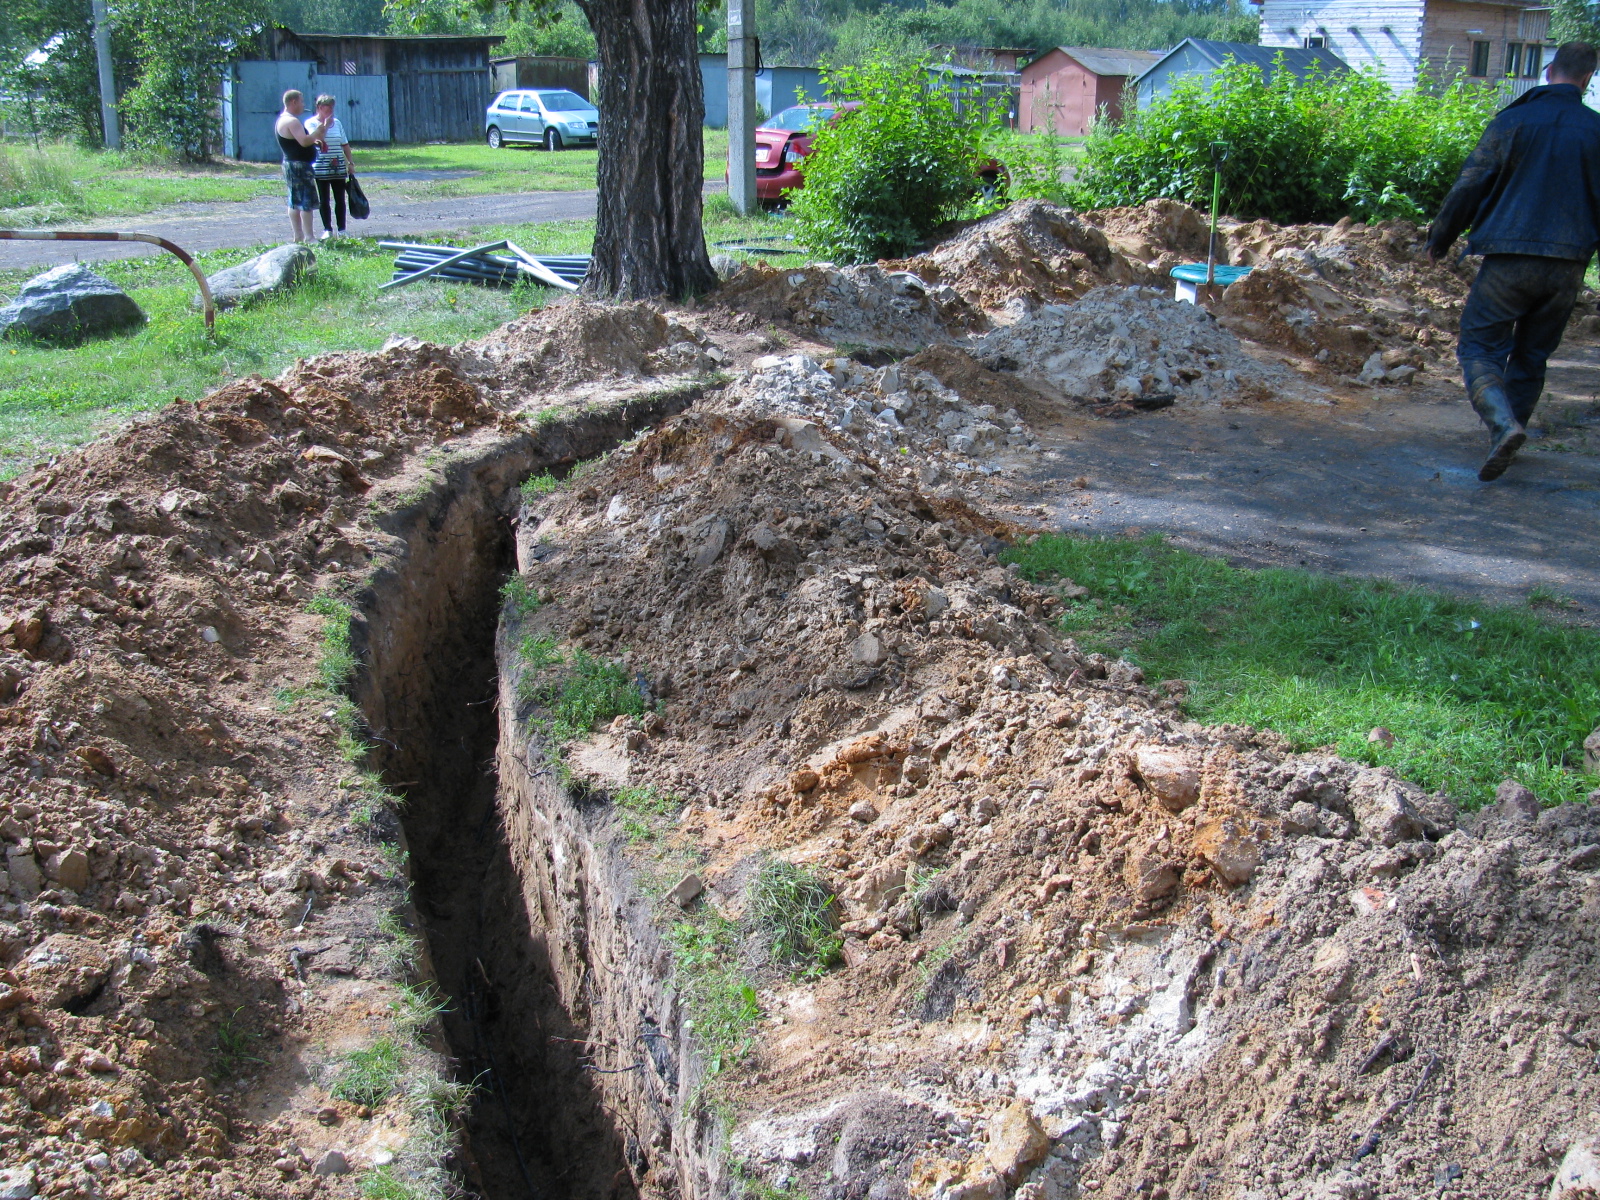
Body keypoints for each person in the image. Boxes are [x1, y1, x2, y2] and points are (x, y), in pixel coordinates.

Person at [1427, 42, 1600, 482]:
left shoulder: (1512, 121)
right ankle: (1508, 434)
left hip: (1508, 260)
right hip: (1567, 265)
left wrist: (1439, 240)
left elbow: (1469, 185)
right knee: (1533, 354)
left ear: (1547, 72)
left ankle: (1502, 425)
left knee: (1479, 346)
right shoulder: (1596, 131)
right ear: (1587, 80)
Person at [304, 95, 356, 241]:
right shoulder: (311, 123)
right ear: (320, 108)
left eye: (333, 106)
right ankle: (327, 229)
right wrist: (325, 126)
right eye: (328, 107)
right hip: (320, 167)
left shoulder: (338, 123)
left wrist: (350, 163)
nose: (332, 110)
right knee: (324, 199)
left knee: (340, 199)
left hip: (338, 166)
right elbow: (317, 140)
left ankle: (342, 229)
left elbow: (344, 144)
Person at [274, 90, 322, 244]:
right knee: (305, 202)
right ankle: (309, 237)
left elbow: (296, 142)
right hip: (299, 166)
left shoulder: (283, 119)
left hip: (290, 164)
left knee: (294, 200)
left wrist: (314, 142)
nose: (303, 105)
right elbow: (304, 141)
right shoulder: (292, 121)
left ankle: (298, 236)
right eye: (301, 101)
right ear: (293, 102)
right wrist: (319, 132)